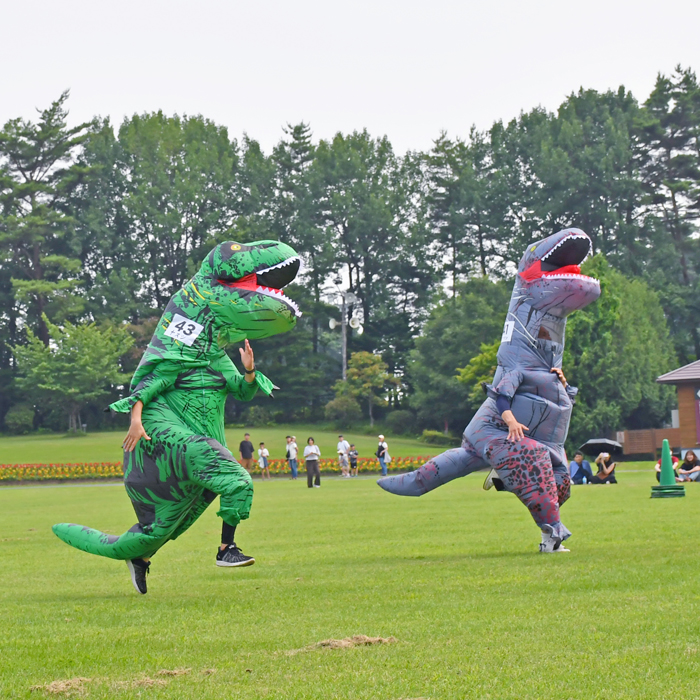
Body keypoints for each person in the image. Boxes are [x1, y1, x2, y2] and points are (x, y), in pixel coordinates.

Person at [51, 238, 302, 594]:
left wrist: (248, 372)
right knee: (236, 480)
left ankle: (140, 556)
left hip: (197, 439)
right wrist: (136, 420)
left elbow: (243, 391)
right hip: (163, 435)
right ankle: (225, 549)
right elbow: (151, 383)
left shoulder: (215, 358)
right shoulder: (180, 353)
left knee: (168, 523)